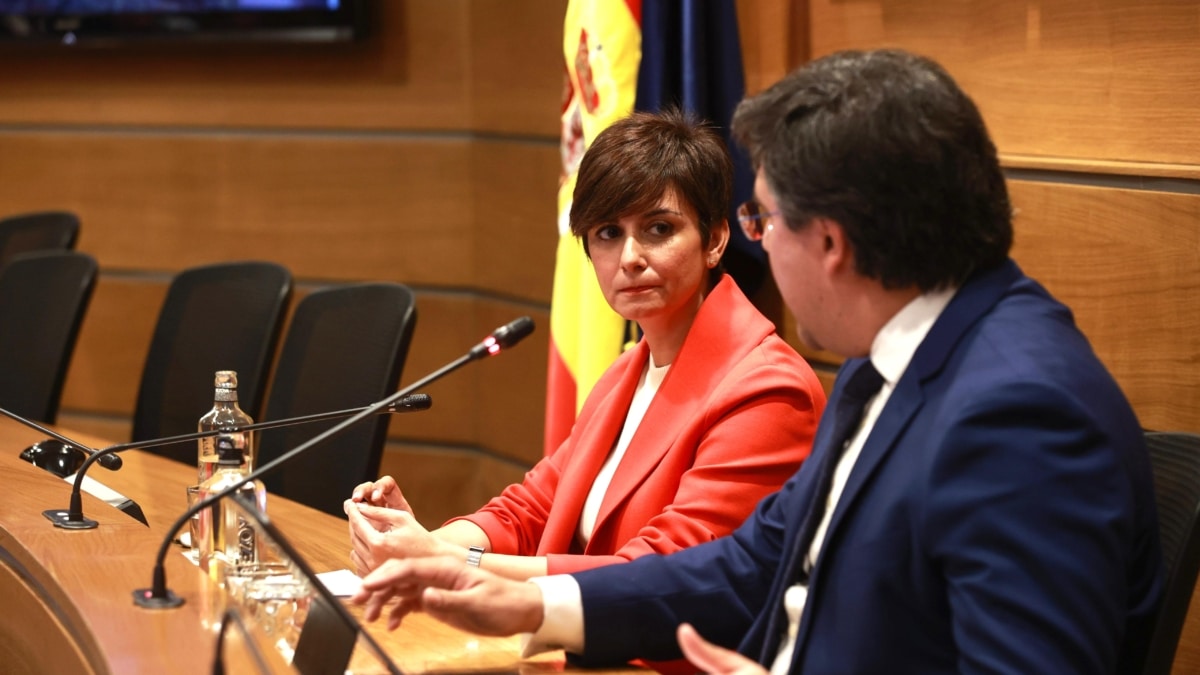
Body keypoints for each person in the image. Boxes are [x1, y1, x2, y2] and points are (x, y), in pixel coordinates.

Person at [351, 49, 1165, 674]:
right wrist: (525, 600)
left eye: (762, 218)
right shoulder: (894, 364)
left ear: (831, 242)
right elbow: (752, 563)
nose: (757, 242)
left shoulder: (1019, 411)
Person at [345, 108, 826, 584]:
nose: (630, 258)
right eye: (608, 234)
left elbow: (663, 575)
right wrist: (417, 543)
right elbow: (530, 510)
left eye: (659, 229)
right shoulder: (627, 373)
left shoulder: (767, 391)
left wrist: (445, 564)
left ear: (715, 239)